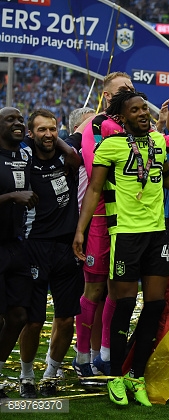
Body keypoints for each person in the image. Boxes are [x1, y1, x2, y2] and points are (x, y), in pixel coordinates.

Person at [73, 89, 169, 407]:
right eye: (135, 109)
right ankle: (114, 377)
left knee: (153, 307)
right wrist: (81, 231)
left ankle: (135, 376)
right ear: (122, 117)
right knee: (123, 306)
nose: (143, 113)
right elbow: (95, 189)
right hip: (125, 235)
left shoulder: (156, 141)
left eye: (145, 108)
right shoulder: (109, 147)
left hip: (157, 237)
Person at [74, 72, 135, 380]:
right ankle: (82, 354)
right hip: (100, 217)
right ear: (108, 97)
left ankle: (107, 354)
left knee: (118, 289)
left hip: (128, 219)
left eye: (132, 89)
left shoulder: (136, 127)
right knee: (95, 289)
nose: (130, 93)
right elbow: (97, 169)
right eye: (123, 90)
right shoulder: (96, 125)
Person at [18, 109, 83, 397]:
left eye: (53, 129)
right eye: (41, 130)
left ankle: (51, 373)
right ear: (30, 133)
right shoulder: (24, 159)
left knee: (66, 318)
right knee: (33, 320)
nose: (48, 134)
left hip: (67, 247)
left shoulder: (65, 158)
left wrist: (57, 140)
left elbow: (76, 158)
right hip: (34, 246)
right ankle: (27, 375)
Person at [0, 107, 38, 400]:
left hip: (17, 245)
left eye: (20, 119)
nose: (17, 123)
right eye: (9, 119)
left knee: (19, 314)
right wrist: (13, 196)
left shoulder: (26, 156)